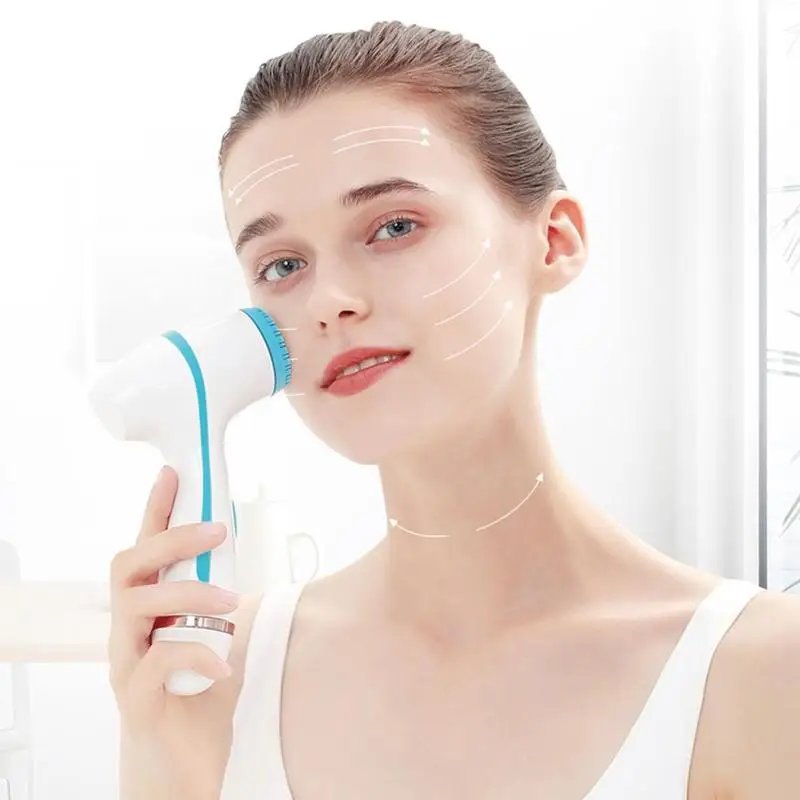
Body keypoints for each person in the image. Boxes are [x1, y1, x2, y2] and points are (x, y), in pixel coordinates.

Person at [108, 20, 800, 800]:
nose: (330, 299)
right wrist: (175, 770)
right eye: (282, 265)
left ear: (554, 240)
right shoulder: (218, 678)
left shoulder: (761, 675)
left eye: (394, 226)